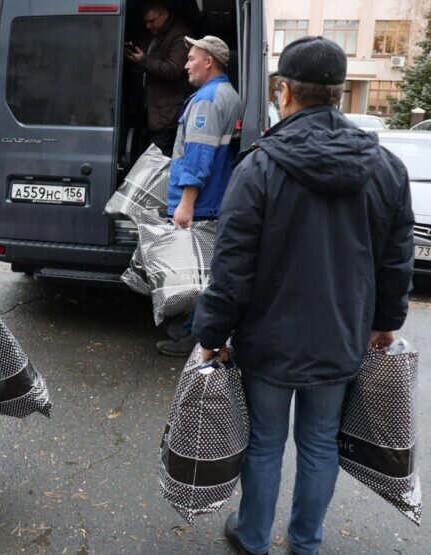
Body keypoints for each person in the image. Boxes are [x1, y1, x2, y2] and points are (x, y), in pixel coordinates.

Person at [192, 37, 414, 555]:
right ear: (338, 94)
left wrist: (211, 334)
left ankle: (251, 539)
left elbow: (232, 264)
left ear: (284, 91)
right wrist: (386, 320)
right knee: (319, 442)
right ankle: (305, 543)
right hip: (341, 337)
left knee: (266, 442)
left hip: (269, 339)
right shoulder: (385, 167)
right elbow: (395, 258)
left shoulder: (259, 167)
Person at [155, 35, 241, 356]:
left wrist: (186, 203)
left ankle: (196, 339)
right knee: (206, 272)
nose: (186, 64)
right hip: (214, 199)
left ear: (209, 61)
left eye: (192, 58)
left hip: (202, 203)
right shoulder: (226, 94)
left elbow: (199, 154)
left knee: (203, 278)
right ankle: (192, 326)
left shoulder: (207, 99)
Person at [124, 1, 191, 156]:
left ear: (165, 14)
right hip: (150, 110)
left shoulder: (180, 35)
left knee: (157, 160)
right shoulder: (151, 36)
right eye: (146, 22)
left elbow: (173, 70)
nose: (148, 26)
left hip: (168, 115)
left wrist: (143, 60)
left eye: (152, 21)